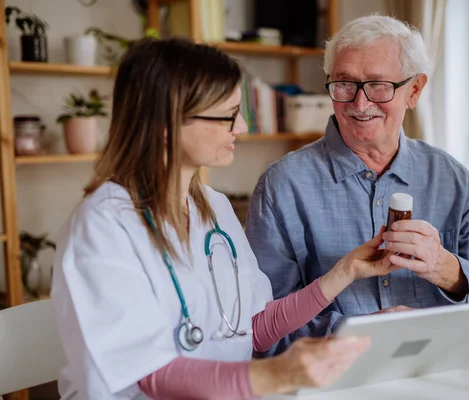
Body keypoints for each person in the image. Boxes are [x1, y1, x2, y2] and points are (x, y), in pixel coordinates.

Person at [50, 37, 410, 400]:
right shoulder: (103, 225)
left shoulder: (213, 206)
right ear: (166, 124)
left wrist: (345, 273)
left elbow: (254, 328)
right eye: (226, 116)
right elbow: (149, 376)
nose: (241, 127)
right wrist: (272, 376)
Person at [245, 14, 469, 357]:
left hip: (440, 369)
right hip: (336, 379)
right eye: (345, 84)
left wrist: (445, 268)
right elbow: (259, 329)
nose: (360, 104)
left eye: (379, 85)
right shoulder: (283, 186)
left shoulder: (449, 178)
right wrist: (359, 334)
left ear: (414, 90)